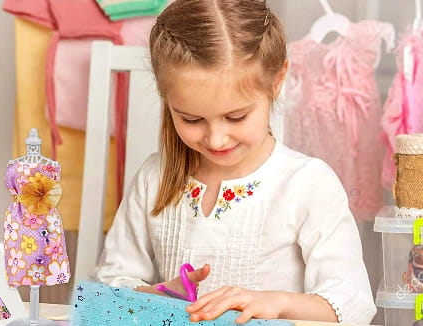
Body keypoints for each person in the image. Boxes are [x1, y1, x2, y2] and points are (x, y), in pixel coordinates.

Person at [95, 0, 376, 324]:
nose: (216, 139)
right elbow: (109, 290)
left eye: (236, 116)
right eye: (191, 119)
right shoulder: (153, 179)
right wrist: (160, 296)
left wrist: (275, 303)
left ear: (277, 79)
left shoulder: (307, 183)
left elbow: (353, 303)